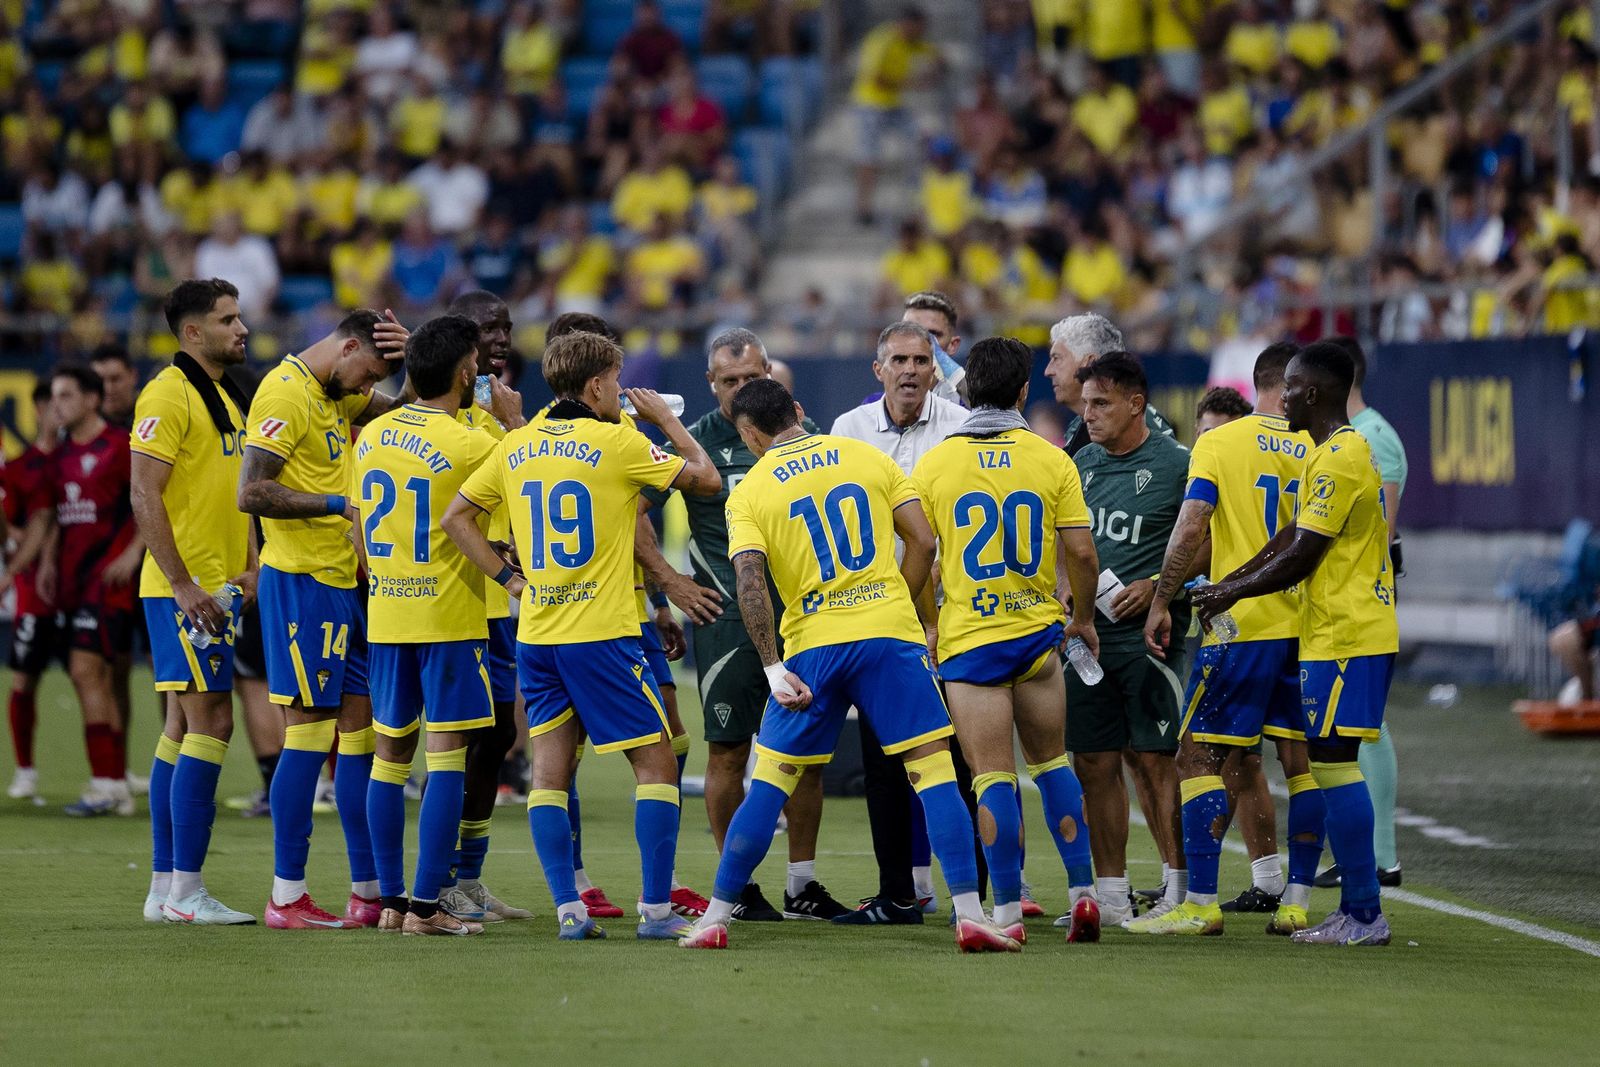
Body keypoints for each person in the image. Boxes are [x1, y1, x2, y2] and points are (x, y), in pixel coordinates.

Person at [679, 379, 1015, 953]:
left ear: (749, 433)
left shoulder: (751, 489)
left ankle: (714, 918)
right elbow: (923, 541)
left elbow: (749, 582)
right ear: (801, 411)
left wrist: (771, 668)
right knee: (935, 773)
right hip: (888, 634)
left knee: (770, 784)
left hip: (813, 645)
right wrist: (900, 606)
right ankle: (970, 914)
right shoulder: (865, 456)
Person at [442, 330, 721, 941]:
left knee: (549, 773)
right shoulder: (619, 442)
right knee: (655, 766)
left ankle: (569, 912)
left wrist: (510, 582)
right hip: (603, 635)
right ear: (597, 386)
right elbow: (707, 479)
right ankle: (654, 911)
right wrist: (661, 422)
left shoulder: (517, 446)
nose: (622, 392)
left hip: (538, 632)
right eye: (617, 382)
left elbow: (455, 518)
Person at [1194, 341, 1400, 947]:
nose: (1280, 396)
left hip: (1346, 633)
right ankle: (1359, 910)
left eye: (1288, 386)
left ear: (1312, 392)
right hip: (1337, 632)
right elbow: (1290, 534)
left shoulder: (1340, 457)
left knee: (1334, 766)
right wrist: (1231, 581)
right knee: (1331, 765)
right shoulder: (1328, 453)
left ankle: (1364, 911)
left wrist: (1236, 593)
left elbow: (1303, 556)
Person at [637, 328, 847, 922]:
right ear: (710, 384)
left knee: (806, 754)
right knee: (728, 751)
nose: (739, 391)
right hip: (727, 617)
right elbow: (630, 513)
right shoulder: (692, 443)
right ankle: (740, 885)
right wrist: (670, 586)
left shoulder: (804, 440)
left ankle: (802, 882)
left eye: (750, 379)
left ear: (770, 375)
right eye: (727, 381)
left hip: (804, 617)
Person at [911, 336, 1103, 943]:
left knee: (992, 777)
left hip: (972, 644)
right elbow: (1081, 552)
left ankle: (1006, 914)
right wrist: (1085, 620)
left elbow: (920, 552)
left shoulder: (936, 463)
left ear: (964, 393)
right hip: (1036, 637)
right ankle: (1083, 894)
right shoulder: (1051, 459)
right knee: (1052, 765)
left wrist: (927, 624)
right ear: (1024, 391)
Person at [1135, 341, 1327, 937]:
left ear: (1259, 383)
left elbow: (1192, 527)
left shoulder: (1221, 443)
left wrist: (1163, 599)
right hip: (1306, 629)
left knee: (1197, 757)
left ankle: (1200, 902)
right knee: (1302, 765)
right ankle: (1295, 901)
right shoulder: (1323, 448)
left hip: (1240, 628)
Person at [237, 308, 412, 930]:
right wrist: (342, 504)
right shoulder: (284, 392)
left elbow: (403, 410)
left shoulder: (338, 389)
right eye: (366, 371)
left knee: (359, 734)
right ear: (346, 347)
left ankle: (366, 889)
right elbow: (251, 493)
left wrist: (417, 355)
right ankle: (287, 896)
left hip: (342, 583)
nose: (368, 388)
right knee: (309, 734)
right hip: (302, 583)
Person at [358, 315, 501, 937]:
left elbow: (357, 530)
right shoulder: (474, 443)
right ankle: (426, 907)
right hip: (447, 616)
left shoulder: (371, 435)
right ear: (467, 370)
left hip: (387, 613)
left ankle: (389, 904)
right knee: (447, 757)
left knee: (388, 759)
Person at [829, 321, 971, 924]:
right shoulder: (849, 431)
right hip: (878, 620)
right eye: (900, 360)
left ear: (936, 369)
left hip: (955, 614)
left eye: (921, 360)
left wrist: (932, 611)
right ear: (878, 369)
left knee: (963, 760)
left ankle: (982, 892)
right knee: (885, 765)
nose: (911, 370)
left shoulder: (962, 429)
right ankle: (897, 896)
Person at [132, 278, 257, 925]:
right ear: (192, 332)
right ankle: (187, 891)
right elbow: (143, 493)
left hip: (217, 588)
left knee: (181, 727)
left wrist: (251, 562)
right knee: (212, 723)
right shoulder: (167, 392)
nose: (242, 328)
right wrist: (183, 583)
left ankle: (163, 886)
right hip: (189, 593)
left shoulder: (226, 394)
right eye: (227, 319)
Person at [1067, 351, 1192, 929]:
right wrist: (1068, 588)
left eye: (1101, 403)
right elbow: (1060, 540)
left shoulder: (1178, 464)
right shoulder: (1079, 464)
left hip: (1149, 641)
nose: (1088, 414)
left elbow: (1209, 539)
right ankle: (1113, 893)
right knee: (1092, 761)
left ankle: (1179, 886)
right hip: (1086, 641)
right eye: (1086, 402)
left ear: (1136, 404)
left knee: (1156, 758)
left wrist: (1156, 586)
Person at [431, 289, 533, 925]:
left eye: (506, 327)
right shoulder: (444, 411)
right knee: (456, 738)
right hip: (447, 598)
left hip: (495, 596)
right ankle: (433, 882)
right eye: (487, 329)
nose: (501, 338)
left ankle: (467, 879)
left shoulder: (495, 405)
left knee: (495, 736)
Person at [1317, 336, 1407, 891]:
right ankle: (1368, 854)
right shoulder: (1351, 435)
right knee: (1355, 729)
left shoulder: (1375, 437)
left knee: (1367, 728)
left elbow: (1383, 531)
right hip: (1337, 600)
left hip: (1360, 601)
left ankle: (1381, 855)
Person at [40, 365, 144, 817]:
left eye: (65, 396)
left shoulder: (119, 447)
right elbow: (56, 517)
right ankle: (114, 783)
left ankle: (105, 784)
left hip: (109, 583)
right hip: (73, 582)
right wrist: (47, 559)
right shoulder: (61, 455)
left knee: (87, 673)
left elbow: (149, 500)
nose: (55, 405)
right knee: (95, 676)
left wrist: (134, 553)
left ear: (91, 400)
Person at [3, 381, 62, 802]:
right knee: (25, 679)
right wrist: (24, 543)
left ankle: (113, 774)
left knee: (100, 679)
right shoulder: (21, 468)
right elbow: (11, 525)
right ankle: (25, 770)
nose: (59, 410)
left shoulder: (88, 457)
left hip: (85, 584)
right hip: (35, 592)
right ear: (39, 409)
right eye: (52, 402)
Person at [1042, 313, 1174, 457]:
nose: (1048, 371)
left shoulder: (1142, 423)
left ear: (1090, 362)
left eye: (1057, 358)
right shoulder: (1076, 427)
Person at [852, 7, 937, 225]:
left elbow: (936, 56)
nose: (921, 33)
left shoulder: (913, 42)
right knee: (869, 156)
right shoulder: (882, 40)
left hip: (895, 105)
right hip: (870, 103)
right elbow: (875, 78)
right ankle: (864, 207)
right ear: (907, 24)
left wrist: (938, 67)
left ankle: (918, 201)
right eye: (919, 28)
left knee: (921, 142)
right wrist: (913, 84)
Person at [901, 290, 966, 404]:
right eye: (910, 331)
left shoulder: (967, 407)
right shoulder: (874, 407)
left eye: (932, 335)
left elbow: (992, 412)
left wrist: (953, 373)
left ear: (952, 345)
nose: (919, 343)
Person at [91, 345, 138, 430]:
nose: (108, 389)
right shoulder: (80, 426)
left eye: (115, 379)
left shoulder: (153, 413)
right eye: (99, 380)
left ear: (133, 376)